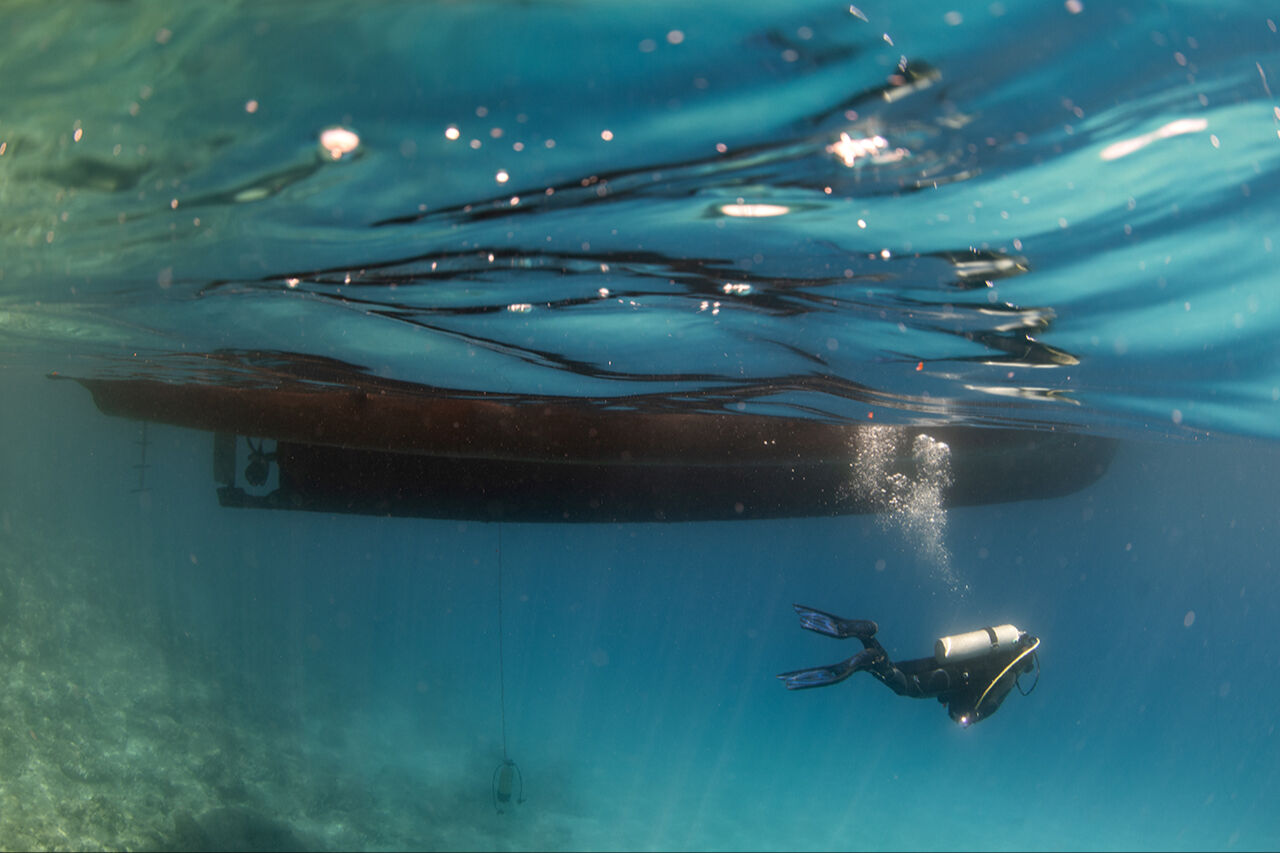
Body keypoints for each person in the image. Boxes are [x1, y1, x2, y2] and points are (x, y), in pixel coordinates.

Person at [777, 604, 1040, 726]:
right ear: (1025, 662)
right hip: (954, 676)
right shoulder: (1009, 673)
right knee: (906, 687)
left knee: (896, 669)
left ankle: (867, 634)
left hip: (943, 661)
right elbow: (990, 703)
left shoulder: (996, 650)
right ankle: (870, 659)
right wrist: (971, 718)